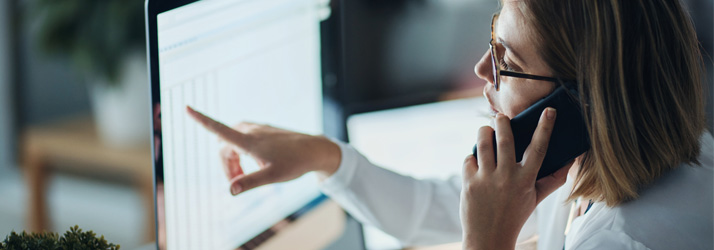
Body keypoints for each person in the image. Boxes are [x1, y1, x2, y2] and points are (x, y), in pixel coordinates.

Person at [186, 0, 713, 249]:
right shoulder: (610, 161)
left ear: (581, 101)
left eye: (505, 57)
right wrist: (326, 157)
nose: (482, 70)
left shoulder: (625, 244)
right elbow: (445, 208)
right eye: (492, 36)